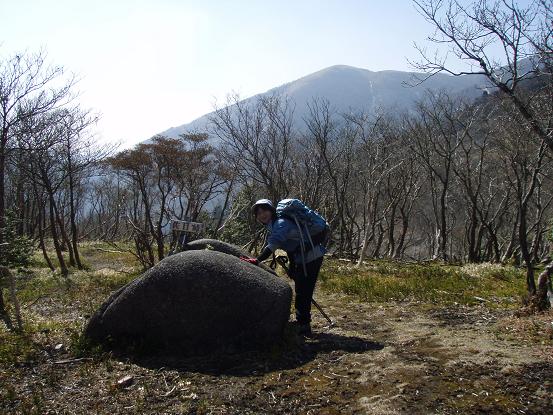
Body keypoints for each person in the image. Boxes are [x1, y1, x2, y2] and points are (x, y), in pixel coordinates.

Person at [241, 199, 325, 336]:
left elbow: (273, 245)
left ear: (271, 210)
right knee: (301, 289)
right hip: (301, 257)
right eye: (259, 213)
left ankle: (304, 325)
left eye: (265, 210)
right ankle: (302, 321)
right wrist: (292, 265)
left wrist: (257, 260)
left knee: (304, 291)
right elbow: (291, 246)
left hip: (312, 257)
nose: (262, 215)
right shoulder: (272, 224)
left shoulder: (280, 224)